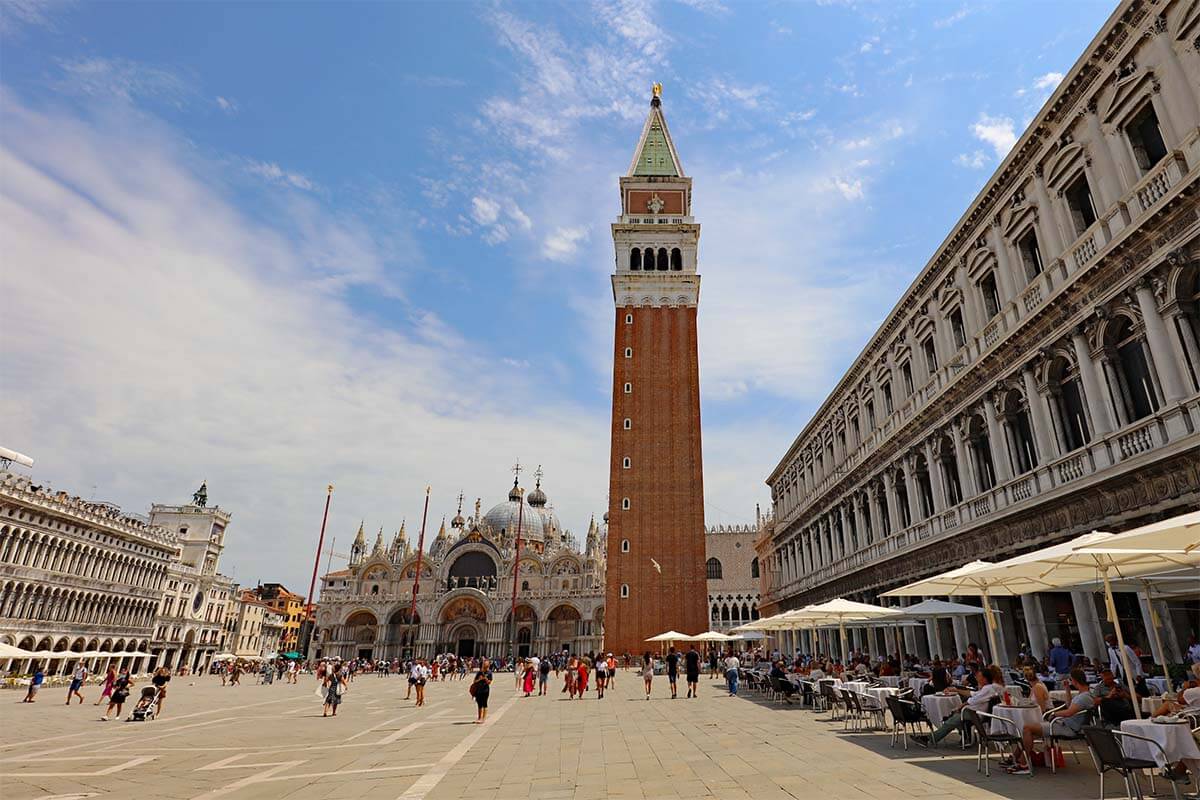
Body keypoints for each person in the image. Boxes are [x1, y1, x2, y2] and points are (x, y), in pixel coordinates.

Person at [1007, 668, 1096, 775]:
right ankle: (1017, 759)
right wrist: (1067, 689)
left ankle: (1023, 763)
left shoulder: (1084, 697)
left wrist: (1054, 714)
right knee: (1028, 731)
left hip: (1067, 727)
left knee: (1027, 728)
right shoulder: (1084, 694)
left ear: (1075, 680)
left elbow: (1069, 712)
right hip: (1063, 724)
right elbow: (1069, 705)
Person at [921, 666, 1005, 746]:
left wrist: (960, 706)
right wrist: (956, 690)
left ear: (985, 679)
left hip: (976, 714)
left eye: (979, 676)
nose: (976, 678)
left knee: (952, 720)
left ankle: (930, 738)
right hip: (975, 712)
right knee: (953, 719)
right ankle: (966, 736)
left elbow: (973, 700)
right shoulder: (988, 688)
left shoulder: (988, 689)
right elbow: (972, 694)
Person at [471, 659, 493, 724]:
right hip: (478, 690)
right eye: (484, 665)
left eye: (486, 665)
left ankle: (483, 718)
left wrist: (485, 679)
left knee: (484, 704)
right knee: (479, 704)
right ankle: (479, 717)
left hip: (485, 690)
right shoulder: (479, 672)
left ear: (488, 665)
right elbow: (474, 681)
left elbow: (489, 682)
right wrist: (479, 679)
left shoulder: (489, 673)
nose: (485, 666)